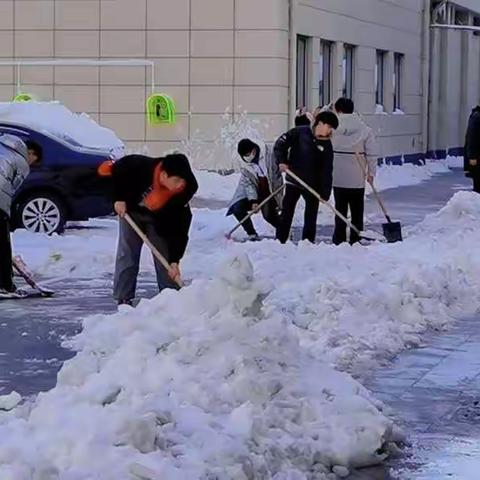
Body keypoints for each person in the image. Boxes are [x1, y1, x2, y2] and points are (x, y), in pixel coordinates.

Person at [106, 153, 198, 306]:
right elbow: (118, 169)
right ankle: (123, 298)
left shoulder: (186, 188)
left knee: (164, 254)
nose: (179, 185)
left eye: (182, 181)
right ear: (163, 175)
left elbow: (181, 225)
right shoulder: (141, 166)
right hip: (132, 212)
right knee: (127, 252)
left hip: (159, 219)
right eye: (176, 180)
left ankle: (170, 297)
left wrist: (175, 259)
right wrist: (118, 198)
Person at [275, 111, 339, 244]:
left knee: (311, 216)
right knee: (287, 213)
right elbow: (280, 144)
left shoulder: (327, 144)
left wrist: (325, 193)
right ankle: (280, 241)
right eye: (329, 127)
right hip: (294, 180)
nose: (330, 131)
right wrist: (282, 160)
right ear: (320, 123)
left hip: (312, 186)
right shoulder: (300, 132)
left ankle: (308, 244)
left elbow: (327, 170)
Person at [331, 97, 378, 245]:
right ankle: (356, 236)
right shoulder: (364, 128)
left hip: (338, 175)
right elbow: (371, 153)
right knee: (357, 209)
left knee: (340, 208)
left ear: (338, 110)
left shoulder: (333, 127)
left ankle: (339, 237)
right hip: (357, 175)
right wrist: (371, 173)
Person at [0, 134, 42, 294]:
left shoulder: (2, 147)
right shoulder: (22, 162)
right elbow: (11, 189)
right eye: (34, 160)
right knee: (3, 247)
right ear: (30, 153)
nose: (32, 164)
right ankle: (5, 285)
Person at [227, 138, 283, 240]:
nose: (247, 157)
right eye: (244, 156)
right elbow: (249, 184)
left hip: (271, 191)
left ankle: (284, 231)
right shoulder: (245, 165)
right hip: (256, 192)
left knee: (268, 215)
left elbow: (279, 168)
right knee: (237, 207)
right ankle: (251, 233)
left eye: (248, 154)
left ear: (253, 150)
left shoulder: (269, 154)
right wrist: (253, 201)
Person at [464, 105, 480, 193]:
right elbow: (471, 137)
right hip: (477, 157)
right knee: (478, 184)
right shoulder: (477, 117)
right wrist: (472, 156)